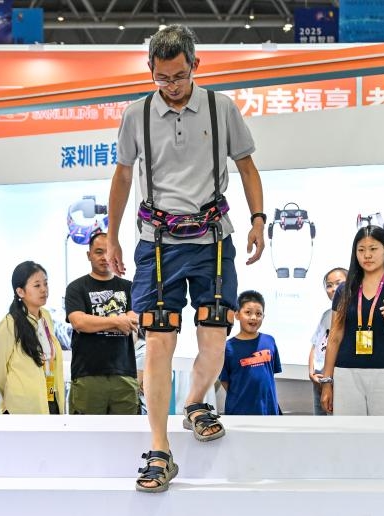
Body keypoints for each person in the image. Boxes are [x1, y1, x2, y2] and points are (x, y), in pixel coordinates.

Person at [105, 24, 266, 492]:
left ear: (195, 66)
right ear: (150, 71)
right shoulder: (136, 115)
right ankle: (160, 448)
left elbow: (247, 166)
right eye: (161, 78)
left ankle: (196, 401)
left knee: (215, 339)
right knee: (158, 343)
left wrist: (258, 218)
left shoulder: (222, 108)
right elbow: (121, 177)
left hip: (213, 238)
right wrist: (112, 236)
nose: (171, 86)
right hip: (156, 243)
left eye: (178, 76)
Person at [319, 226, 384, 416]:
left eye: (373, 249)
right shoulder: (344, 290)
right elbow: (334, 337)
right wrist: (327, 381)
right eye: (361, 250)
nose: (367, 255)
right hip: (346, 373)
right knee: (348, 437)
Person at [65, 232, 139, 415]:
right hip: (87, 376)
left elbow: (133, 320)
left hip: (124, 374)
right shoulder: (76, 288)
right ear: (89, 255)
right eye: (98, 252)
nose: (104, 257)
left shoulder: (129, 287)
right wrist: (116, 321)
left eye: (108, 252)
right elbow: (79, 322)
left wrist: (98, 322)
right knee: (87, 439)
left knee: (126, 437)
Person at [0, 261, 65, 414]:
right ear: (20, 292)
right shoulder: (10, 324)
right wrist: (16, 390)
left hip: (50, 397)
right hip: (23, 405)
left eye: (46, 283)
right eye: (37, 286)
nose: (44, 289)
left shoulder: (46, 317)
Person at [219, 290, 281, 415]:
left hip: (268, 411)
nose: (254, 317)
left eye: (259, 313)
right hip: (239, 411)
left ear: (263, 316)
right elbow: (225, 381)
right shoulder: (227, 347)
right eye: (248, 312)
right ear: (237, 314)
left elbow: (269, 375)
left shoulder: (269, 341)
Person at [308, 267, 346, 415]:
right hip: (319, 379)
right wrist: (311, 372)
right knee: (320, 425)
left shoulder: (354, 314)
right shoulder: (326, 315)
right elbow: (315, 344)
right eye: (329, 285)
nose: (333, 289)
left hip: (337, 379)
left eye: (338, 283)